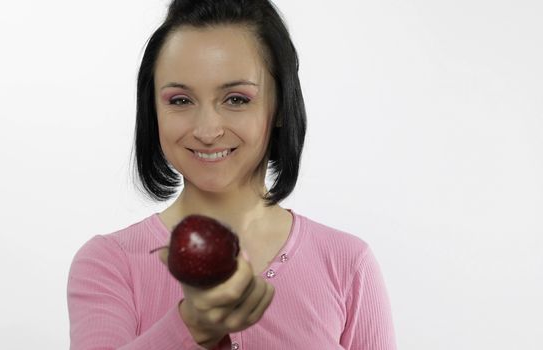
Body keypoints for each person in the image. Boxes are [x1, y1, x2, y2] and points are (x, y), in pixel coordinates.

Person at [67, 0, 397, 349]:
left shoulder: (347, 263)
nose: (207, 130)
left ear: (281, 105)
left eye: (237, 99)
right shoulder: (110, 262)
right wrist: (190, 326)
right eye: (180, 100)